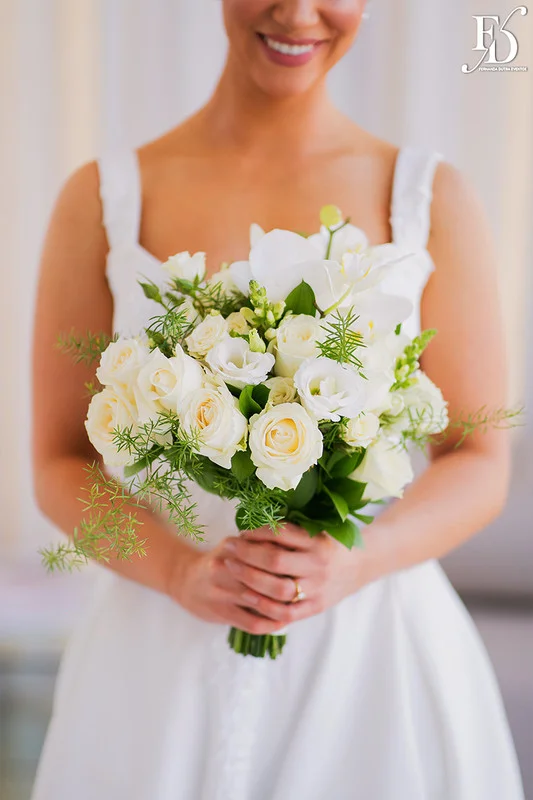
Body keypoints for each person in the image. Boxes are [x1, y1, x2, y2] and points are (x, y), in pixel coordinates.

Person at [30, 1, 524, 798]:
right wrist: (180, 572)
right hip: (156, 648)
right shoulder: (102, 198)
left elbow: (480, 458)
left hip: (369, 650)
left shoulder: (429, 198)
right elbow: (58, 458)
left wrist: (355, 562)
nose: (296, 13)